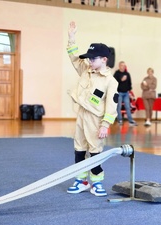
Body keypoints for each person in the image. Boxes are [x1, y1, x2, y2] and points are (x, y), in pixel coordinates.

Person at [66, 21, 119, 196]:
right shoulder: (85, 70)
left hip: (95, 120)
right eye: (88, 58)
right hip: (81, 115)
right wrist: (71, 38)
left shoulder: (110, 81)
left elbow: (112, 106)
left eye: (93, 58)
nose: (89, 61)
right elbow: (74, 58)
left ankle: (97, 182)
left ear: (104, 59)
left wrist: (105, 124)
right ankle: (81, 180)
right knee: (79, 148)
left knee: (95, 151)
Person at [113, 61, 138, 126]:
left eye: (124, 65)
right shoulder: (116, 74)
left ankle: (130, 121)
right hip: (119, 93)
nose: (123, 66)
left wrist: (130, 94)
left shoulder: (127, 74)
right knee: (119, 107)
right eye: (122, 65)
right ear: (119, 66)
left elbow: (129, 84)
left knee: (127, 107)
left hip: (126, 93)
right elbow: (113, 83)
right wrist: (121, 80)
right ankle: (120, 120)